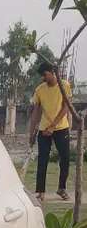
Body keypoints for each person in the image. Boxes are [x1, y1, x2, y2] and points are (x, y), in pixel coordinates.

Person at [29, 62, 72, 203]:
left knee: (65, 158)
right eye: (42, 76)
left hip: (61, 128)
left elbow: (66, 108)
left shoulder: (64, 85)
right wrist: (32, 133)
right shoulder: (39, 90)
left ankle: (61, 188)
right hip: (44, 130)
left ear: (52, 72)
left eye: (45, 75)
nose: (43, 78)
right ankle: (40, 192)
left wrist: (53, 126)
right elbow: (36, 113)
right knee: (42, 160)